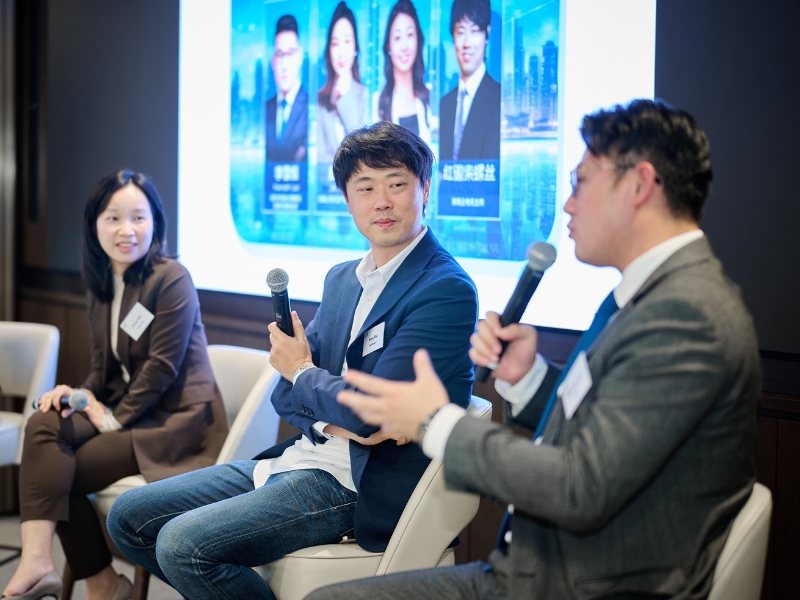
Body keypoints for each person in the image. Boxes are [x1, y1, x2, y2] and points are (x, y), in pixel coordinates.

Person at [312, 99, 761, 599]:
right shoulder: (652, 294)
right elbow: (613, 431)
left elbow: (580, 488)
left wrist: (433, 421)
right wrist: (528, 379)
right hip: (547, 569)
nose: (567, 205)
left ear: (639, 185)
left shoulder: (686, 315)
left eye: (580, 182)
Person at [107, 122, 478, 600]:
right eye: (365, 188)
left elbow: (362, 408)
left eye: (397, 184)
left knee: (183, 546)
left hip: (359, 484)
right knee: (129, 517)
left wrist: (308, 375)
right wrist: (332, 416)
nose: (381, 202)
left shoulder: (445, 289)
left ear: (425, 189)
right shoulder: (342, 279)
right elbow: (286, 393)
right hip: (301, 457)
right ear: (347, 200)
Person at [1, 171, 227, 600]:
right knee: (44, 423)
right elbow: (103, 371)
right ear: (95, 224)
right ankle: (39, 561)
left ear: (156, 222)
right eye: (114, 218)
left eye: (139, 217)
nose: (127, 230)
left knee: (57, 470)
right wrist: (74, 396)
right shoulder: (103, 282)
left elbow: (160, 368)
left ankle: (102, 584)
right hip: (127, 410)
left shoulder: (171, 277)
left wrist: (109, 420)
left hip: (173, 423)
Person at [439, 0, 500, 162]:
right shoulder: (445, 103)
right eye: (460, 32)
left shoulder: (499, 98)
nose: (467, 43)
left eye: (474, 31)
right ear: (453, 36)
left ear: (486, 34)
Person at [317, 1, 368, 165]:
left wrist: (344, 100)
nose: (341, 52)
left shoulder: (365, 95)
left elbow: (362, 149)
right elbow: (320, 157)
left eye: (347, 41)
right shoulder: (321, 99)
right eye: (335, 43)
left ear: (355, 47)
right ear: (328, 50)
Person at [375, 0, 432, 144]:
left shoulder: (431, 98)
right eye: (398, 37)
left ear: (418, 40)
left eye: (410, 35)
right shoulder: (378, 102)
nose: (404, 46)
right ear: (388, 46)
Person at [266, 15, 308, 163]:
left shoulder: (311, 106)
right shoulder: (266, 109)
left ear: (300, 56)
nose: (284, 64)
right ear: (273, 61)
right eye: (279, 54)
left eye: (290, 53)